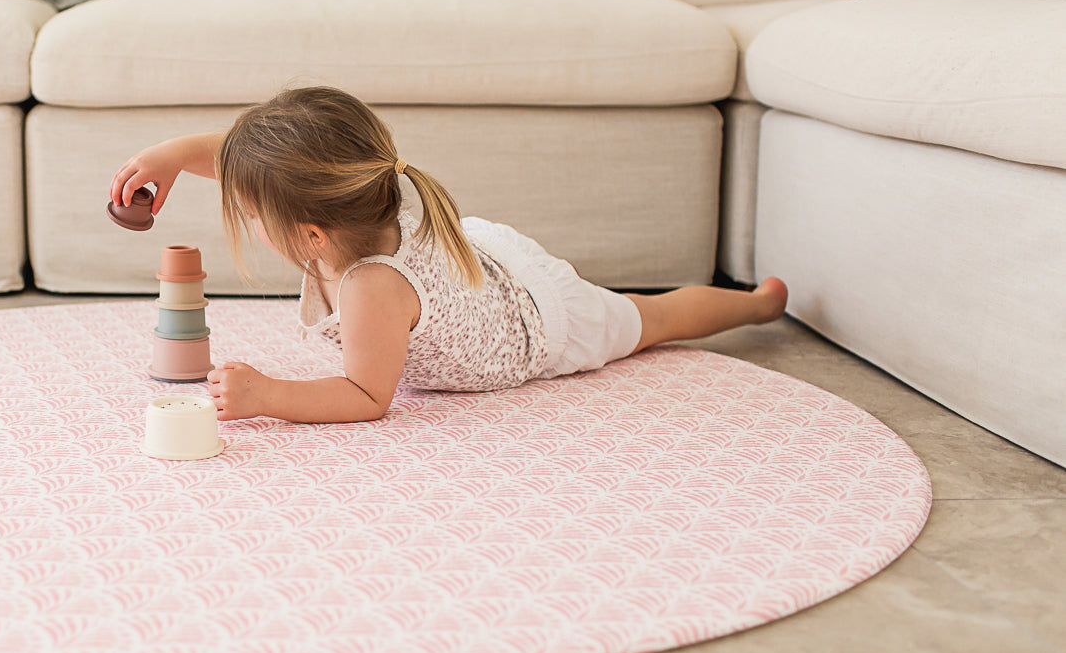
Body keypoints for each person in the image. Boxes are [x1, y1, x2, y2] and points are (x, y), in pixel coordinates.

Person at [110, 86, 787, 425]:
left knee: (651, 318)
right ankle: (753, 301)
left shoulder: (371, 286)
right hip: (475, 268)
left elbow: (367, 394)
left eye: (253, 213)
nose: (246, 212)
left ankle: (757, 304)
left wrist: (270, 395)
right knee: (648, 314)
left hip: (542, 322)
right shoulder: (367, 188)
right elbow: (248, 161)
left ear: (311, 235)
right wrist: (169, 157)